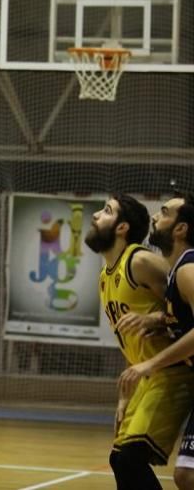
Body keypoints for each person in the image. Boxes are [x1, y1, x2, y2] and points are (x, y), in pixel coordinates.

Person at [84, 194, 191, 489]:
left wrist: (156, 320)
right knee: (120, 460)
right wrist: (125, 397)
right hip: (148, 378)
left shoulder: (141, 260)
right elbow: (132, 341)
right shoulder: (105, 277)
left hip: (174, 372)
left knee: (130, 458)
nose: (95, 215)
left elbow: (181, 303)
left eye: (106, 211)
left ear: (122, 227)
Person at [117, 193, 194, 489]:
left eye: (163, 212)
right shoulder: (178, 272)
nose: (154, 217)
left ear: (180, 229)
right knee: (185, 475)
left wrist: (150, 363)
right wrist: (159, 321)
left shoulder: (188, 268)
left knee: (186, 475)